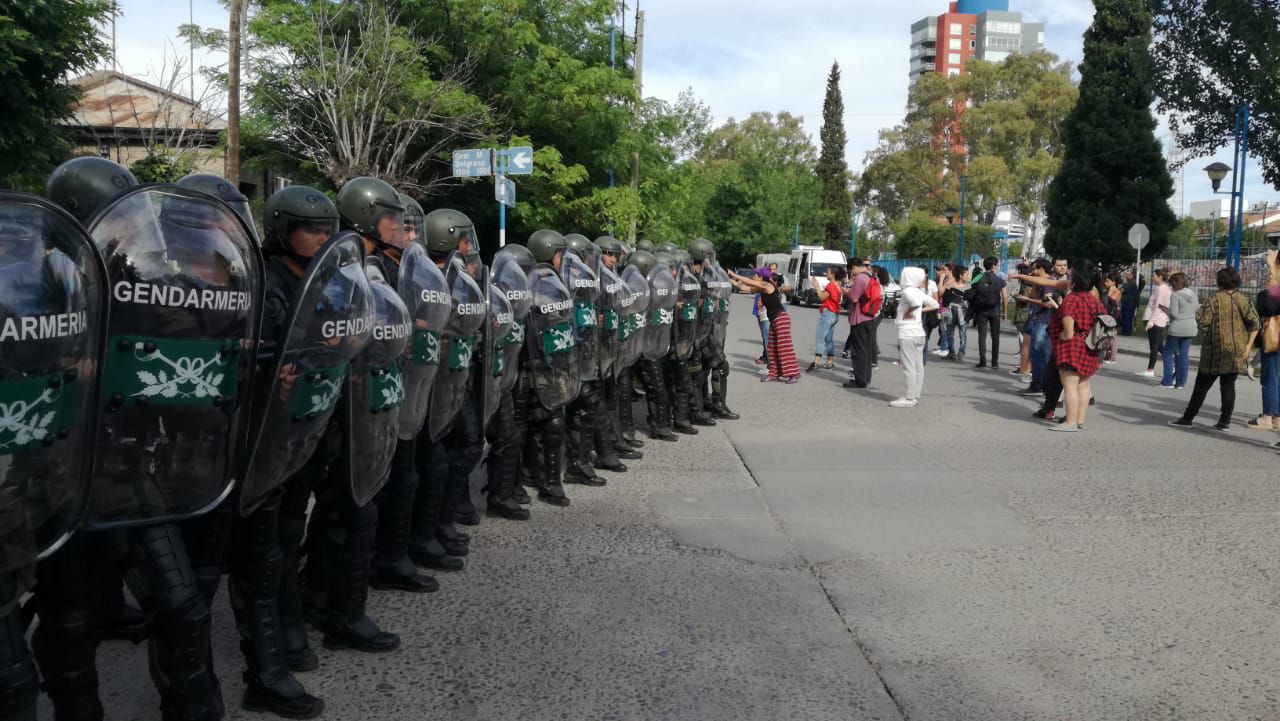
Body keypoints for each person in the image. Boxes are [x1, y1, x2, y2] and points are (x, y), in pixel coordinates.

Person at [1170, 267, 1260, 431]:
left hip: (1214, 350)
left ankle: (1188, 418)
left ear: (1219, 282)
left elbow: (1202, 320)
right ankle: (1224, 422)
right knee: (1228, 385)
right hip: (1237, 350)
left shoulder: (1213, 300)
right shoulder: (1244, 300)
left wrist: (1209, 332)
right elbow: (1255, 323)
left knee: (1201, 386)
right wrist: (1248, 346)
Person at [1049, 266, 1108, 431]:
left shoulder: (1072, 299)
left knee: (1069, 385)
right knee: (1083, 385)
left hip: (1073, 346)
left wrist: (1067, 334)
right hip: (1091, 346)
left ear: (1074, 282)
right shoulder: (1094, 301)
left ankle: (1070, 422)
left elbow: (1067, 318)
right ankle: (1080, 420)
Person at [728, 268, 799, 383]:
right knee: (772, 348)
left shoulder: (767, 285)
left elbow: (748, 282)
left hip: (781, 319)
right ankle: (774, 373)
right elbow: (743, 287)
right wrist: (729, 279)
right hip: (775, 320)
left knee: (783, 347)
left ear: (761, 277)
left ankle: (793, 373)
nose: (753, 277)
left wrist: (734, 274)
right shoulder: (761, 288)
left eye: (755, 275)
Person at [890, 267, 939, 407]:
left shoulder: (907, 291)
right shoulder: (917, 291)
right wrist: (918, 312)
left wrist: (909, 312)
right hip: (919, 333)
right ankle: (915, 395)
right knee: (918, 367)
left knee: (908, 367)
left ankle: (909, 398)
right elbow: (935, 304)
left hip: (907, 334)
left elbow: (916, 303)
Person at [1248, 253, 1280, 430]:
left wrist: (1271, 269)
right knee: (1277, 377)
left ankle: (1268, 415)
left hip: (1274, 338)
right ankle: (1276, 416)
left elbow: (1269, 306)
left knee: (1270, 378)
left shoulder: (1272, 291)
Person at [1017, 259, 1056, 396]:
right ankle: (1037, 383)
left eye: (1034, 269)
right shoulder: (1038, 283)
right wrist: (1032, 286)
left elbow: (1048, 304)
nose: (1032, 272)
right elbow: (1033, 296)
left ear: (1041, 269)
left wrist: (1028, 300)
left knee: (1041, 355)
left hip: (1044, 322)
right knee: (1035, 354)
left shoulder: (1048, 284)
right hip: (1036, 320)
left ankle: (1042, 386)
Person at [842, 258, 878, 388]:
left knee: (858, 350)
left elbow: (854, 297)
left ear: (854, 268)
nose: (852, 273)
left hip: (860, 318)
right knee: (867, 350)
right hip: (870, 316)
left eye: (851, 270)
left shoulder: (860, 278)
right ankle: (866, 378)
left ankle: (860, 380)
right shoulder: (871, 276)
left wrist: (846, 291)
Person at [1158, 272, 1197, 390]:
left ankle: (1168, 381)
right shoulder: (1193, 294)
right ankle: (1180, 383)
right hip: (1191, 327)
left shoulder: (1176, 295)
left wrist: (1165, 310)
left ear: (1175, 283)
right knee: (1183, 355)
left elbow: (1174, 314)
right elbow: (1196, 309)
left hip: (1178, 327)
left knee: (1168, 353)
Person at [968, 256, 1007, 369]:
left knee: (982, 336)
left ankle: (982, 361)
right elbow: (1005, 297)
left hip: (981, 311)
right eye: (997, 264)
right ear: (994, 266)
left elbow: (972, 285)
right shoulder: (1000, 279)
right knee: (995, 337)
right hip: (995, 311)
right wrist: (1004, 312)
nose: (997, 266)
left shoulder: (979, 276)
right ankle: (994, 362)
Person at [808, 266, 846, 371]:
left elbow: (821, 297)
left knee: (820, 337)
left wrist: (816, 286)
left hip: (828, 314)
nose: (826, 273)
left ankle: (816, 362)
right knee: (829, 339)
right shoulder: (838, 284)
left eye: (828, 272)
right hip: (834, 314)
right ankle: (829, 362)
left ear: (833, 274)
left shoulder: (831, 285)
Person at [1140, 269, 1171, 377]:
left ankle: (1150, 370)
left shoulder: (1161, 289)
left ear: (1160, 277)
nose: (1152, 278)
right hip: (1160, 320)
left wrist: (1151, 322)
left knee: (1154, 347)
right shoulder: (1165, 289)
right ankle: (1171, 366)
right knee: (1159, 347)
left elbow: (1158, 307)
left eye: (1154, 276)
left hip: (1156, 321)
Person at [942, 264, 969, 361]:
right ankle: (951, 352)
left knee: (962, 332)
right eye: (966, 274)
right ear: (960, 275)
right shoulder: (950, 285)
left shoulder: (969, 287)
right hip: (951, 310)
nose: (968, 276)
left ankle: (961, 351)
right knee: (949, 332)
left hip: (963, 311)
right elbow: (945, 299)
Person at [1100, 274, 1122, 364]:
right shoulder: (1107, 290)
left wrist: (1111, 290)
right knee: (1108, 335)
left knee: (1113, 336)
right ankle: (1107, 356)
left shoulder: (1116, 291)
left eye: (1108, 281)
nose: (1106, 283)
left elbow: (1110, 300)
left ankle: (1112, 358)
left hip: (1113, 316)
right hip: (1108, 315)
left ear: (1113, 282)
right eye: (1105, 281)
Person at [1119, 269, 1144, 335]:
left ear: (1132, 275)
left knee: (1128, 317)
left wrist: (1122, 288)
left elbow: (1122, 290)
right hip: (1125, 302)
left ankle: (1127, 331)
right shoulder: (1126, 283)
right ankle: (1124, 330)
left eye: (1128, 275)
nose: (1126, 276)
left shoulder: (1132, 283)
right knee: (1124, 316)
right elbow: (1120, 289)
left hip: (1130, 303)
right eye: (1126, 274)